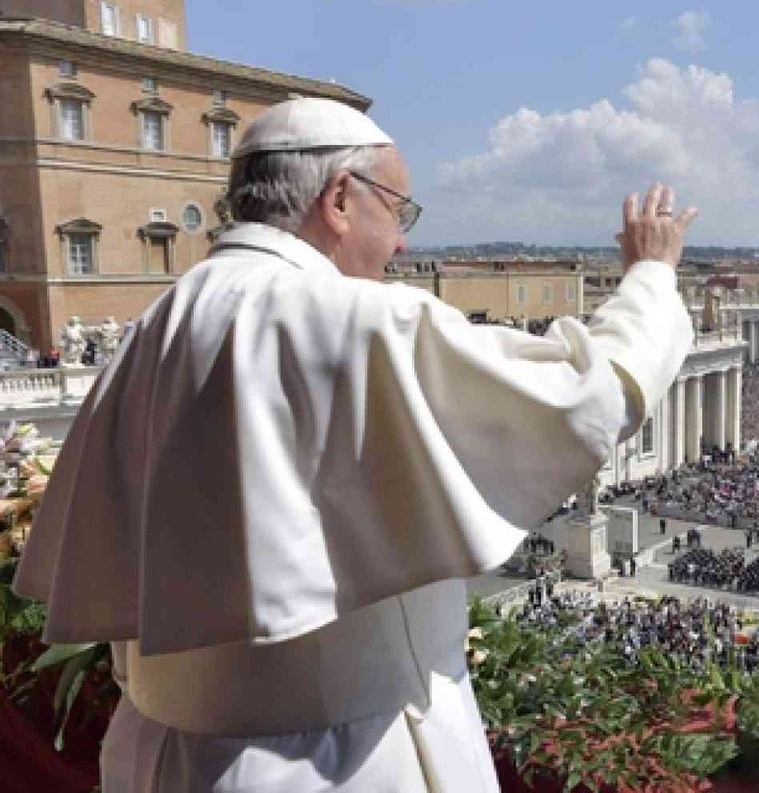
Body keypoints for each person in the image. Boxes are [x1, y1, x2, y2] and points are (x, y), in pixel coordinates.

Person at [14, 98, 699, 793]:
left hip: (163, 757)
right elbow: (586, 397)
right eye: (400, 212)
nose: (402, 243)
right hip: (338, 763)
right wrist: (651, 276)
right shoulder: (350, 318)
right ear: (340, 198)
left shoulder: (161, 321)